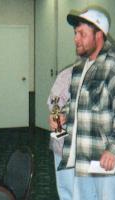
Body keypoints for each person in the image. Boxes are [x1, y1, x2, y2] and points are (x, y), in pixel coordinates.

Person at [49, 5, 115, 200]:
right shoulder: (81, 68)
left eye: (82, 33)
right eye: (75, 33)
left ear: (99, 34)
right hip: (86, 159)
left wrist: (114, 148)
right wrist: (60, 119)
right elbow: (77, 108)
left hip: (113, 164)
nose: (75, 39)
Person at [47, 66, 74, 200]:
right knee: (67, 191)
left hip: (92, 148)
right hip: (65, 146)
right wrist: (56, 117)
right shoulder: (67, 75)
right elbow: (55, 103)